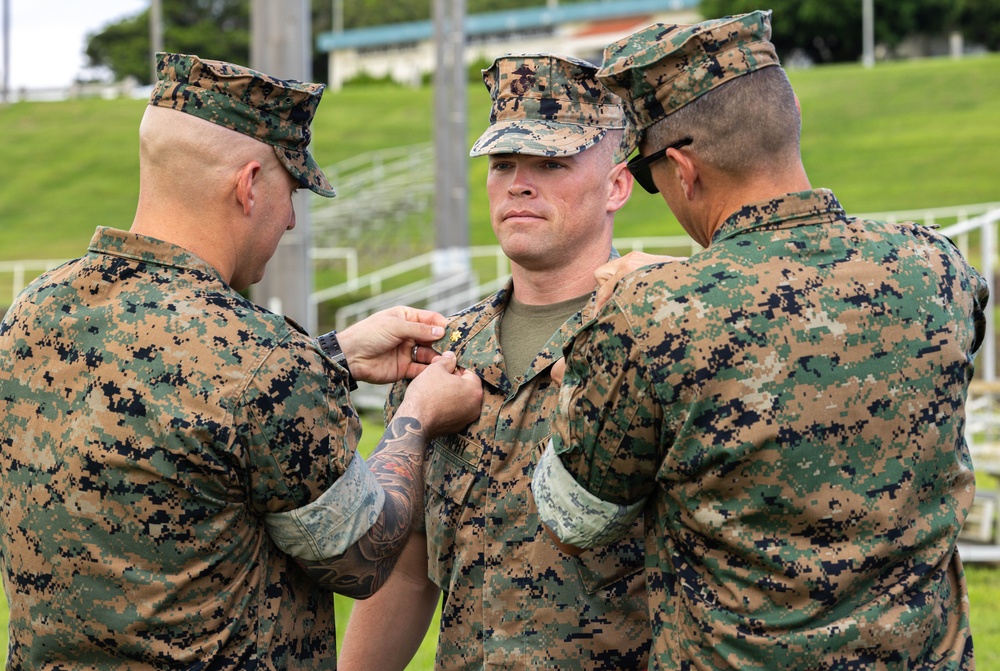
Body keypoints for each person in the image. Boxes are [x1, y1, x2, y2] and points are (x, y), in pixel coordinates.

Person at [533, 11, 988, 671]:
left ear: (682, 171)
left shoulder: (650, 317)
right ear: (789, 115)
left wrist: (601, 332)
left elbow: (572, 516)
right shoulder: (938, 269)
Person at [0, 52, 482, 670]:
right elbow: (361, 554)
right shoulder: (263, 363)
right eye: (291, 191)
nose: (290, 219)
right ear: (249, 184)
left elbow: (180, 398)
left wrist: (329, 357)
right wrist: (417, 416)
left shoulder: (33, 312)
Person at [338, 53, 650, 670]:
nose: (518, 184)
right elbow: (407, 574)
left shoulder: (653, 341)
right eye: (503, 163)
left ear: (616, 185)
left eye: (551, 163)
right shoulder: (445, 357)